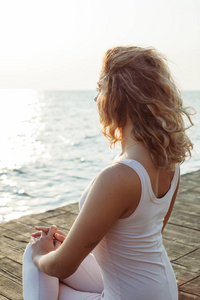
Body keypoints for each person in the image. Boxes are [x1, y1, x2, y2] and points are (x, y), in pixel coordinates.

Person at [23, 46, 193, 300]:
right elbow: (143, 233)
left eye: (100, 89)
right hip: (161, 287)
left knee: (36, 255)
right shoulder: (169, 161)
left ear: (116, 98)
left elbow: (61, 267)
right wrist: (76, 240)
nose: (96, 99)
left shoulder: (117, 177)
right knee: (55, 250)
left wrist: (39, 255)